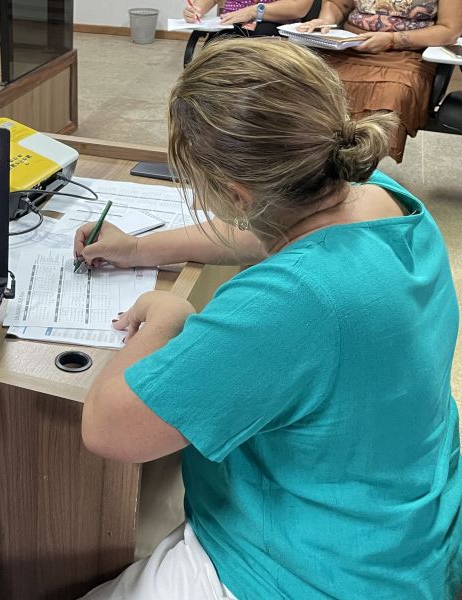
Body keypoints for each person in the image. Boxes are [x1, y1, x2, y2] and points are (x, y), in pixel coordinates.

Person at [74, 38, 461, 600]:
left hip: (315, 571)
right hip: (401, 528)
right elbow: (265, 229)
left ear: (237, 195)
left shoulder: (295, 299)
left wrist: (166, 319)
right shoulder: (379, 197)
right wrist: (139, 249)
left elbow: (108, 429)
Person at [300, 0, 462, 162]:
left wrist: (393, 39)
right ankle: (313, 160)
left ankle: (364, 163)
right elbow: (337, 4)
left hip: (408, 51)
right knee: (312, 83)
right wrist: (326, 21)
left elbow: (449, 30)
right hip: (351, 45)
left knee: (391, 93)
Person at [184, 0, 314, 36]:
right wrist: (197, 9)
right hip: (229, 25)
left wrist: (254, 11)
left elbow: (298, 7)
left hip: (272, 27)